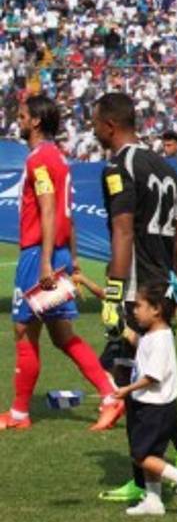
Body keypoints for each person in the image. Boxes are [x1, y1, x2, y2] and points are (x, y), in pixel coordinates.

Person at [91, 92, 177, 504]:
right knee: (140, 376)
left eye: (95, 123)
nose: (93, 129)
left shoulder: (118, 167)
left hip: (136, 290)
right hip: (160, 289)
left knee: (129, 380)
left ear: (109, 125)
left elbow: (123, 231)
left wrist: (113, 293)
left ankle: (144, 482)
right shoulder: (164, 166)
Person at [0, 94, 123, 432]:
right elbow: (68, 214)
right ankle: (110, 395)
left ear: (36, 121)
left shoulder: (39, 159)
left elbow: (49, 208)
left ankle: (19, 413)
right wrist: (74, 259)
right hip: (59, 253)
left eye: (22, 116)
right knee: (61, 334)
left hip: (40, 254)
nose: (19, 121)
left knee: (24, 330)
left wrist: (44, 262)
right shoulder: (58, 158)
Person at [108, 281, 177, 517]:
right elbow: (142, 348)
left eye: (139, 306)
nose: (134, 311)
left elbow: (153, 376)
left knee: (140, 456)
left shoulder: (160, 339)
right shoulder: (153, 334)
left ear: (156, 309)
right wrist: (125, 331)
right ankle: (153, 500)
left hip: (154, 408)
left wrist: (126, 390)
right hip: (151, 405)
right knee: (152, 454)